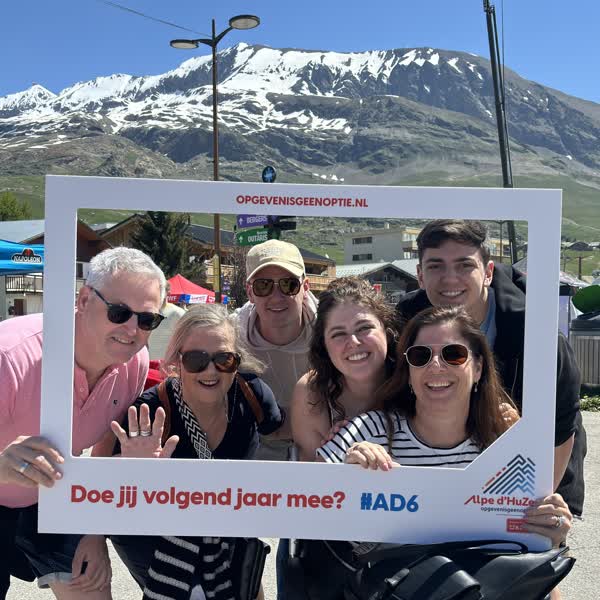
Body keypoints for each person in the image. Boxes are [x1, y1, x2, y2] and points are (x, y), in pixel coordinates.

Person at [319, 307, 572, 599]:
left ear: (478, 368)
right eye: (420, 356)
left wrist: (551, 534)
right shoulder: (368, 432)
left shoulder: (505, 447)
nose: (436, 366)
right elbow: (304, 509)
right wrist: (344, 477)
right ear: (409, 372)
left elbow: (534, 566)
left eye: (453, 354)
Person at [0, 247, 166, 600]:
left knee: (91, 587)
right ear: (85, 299)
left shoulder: (135, 361)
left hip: (55, 495)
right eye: (119, 312)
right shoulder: (9, 356)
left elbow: (105, 443)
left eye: (147, 320)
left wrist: (93, 531)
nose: (132, 330)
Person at [396, 219, 585, 517]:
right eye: (435, 266)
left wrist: (536, 505)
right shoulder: (402, 322)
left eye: (464, 265)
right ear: (420, 275)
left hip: (532, 473)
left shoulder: (535, 330)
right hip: (444, 477)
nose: (450, 279)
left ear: (488, 272)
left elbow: (561, 426)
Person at [110, 303, 284, 600]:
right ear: (177, 361)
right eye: (196, 360)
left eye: (224, 359)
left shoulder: (251, 395)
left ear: (237, 360)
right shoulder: (150, 412)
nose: (211, 370)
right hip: (157, 533)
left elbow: (283, 432)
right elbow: (107, 486)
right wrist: (133, 471)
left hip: (226, 524)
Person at [280, 277, 399, 600]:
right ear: (324, 345)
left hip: (405, 539)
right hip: (335, 546)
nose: (354, 343)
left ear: (387, 331)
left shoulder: (418, 379)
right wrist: (338, 461)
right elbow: (311, 495)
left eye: (364, 328)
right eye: (338, 334)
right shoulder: (311, 394)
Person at [235, 239, 318, 461]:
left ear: (305, 287)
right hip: (256, 455)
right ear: (250, 292)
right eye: (263, 285)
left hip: (323, 448)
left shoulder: (332, 333)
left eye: (288, 284)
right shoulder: (231, 337)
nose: (277, 296)